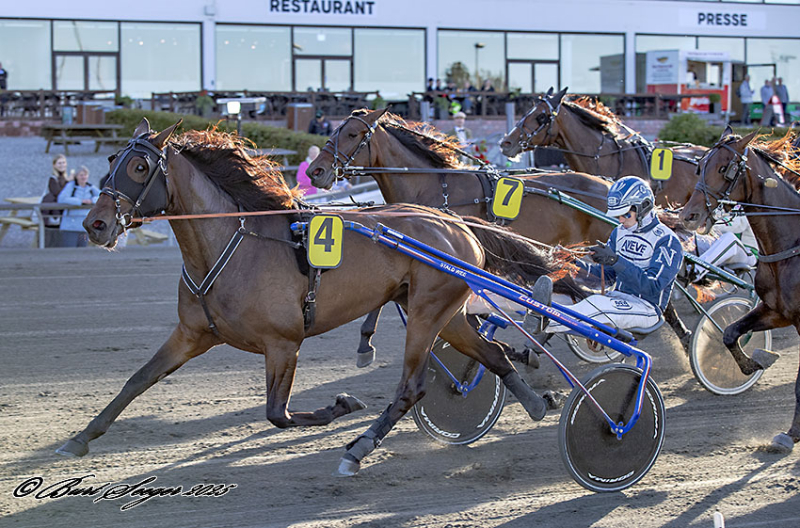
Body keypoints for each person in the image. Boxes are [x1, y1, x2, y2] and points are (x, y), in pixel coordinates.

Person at [538, 176, 683, 335]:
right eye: (618, 215)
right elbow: (607, 277)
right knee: (565, 298)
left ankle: (545, 322)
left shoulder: (667, 241)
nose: (620, 220)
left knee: (596, 304)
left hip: (646, 308)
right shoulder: (619, 232)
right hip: (616, 297)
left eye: (625, 214)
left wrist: (616, 261)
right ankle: (537, 319)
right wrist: (574, 263)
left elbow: (653, 287)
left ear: (644, 207)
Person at [57, 166, 100, 247]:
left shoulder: (90, 187)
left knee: (82, 251)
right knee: (69, 250)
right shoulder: (71, 186)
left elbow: (102, 196)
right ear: (76, 176)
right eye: (81, 175)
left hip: (84, 226)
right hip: (70, 226)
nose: (83, 177)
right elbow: (62, 199)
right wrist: (80, 201)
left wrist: (92, 200)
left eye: (85, 175)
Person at [41, 154, 72, 230]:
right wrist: (68, 182)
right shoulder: (53, 179)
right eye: (59, 163)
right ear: (54, 165)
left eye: (63, 163)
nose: (62, 165)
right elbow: (58, 194)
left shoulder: (64, 178)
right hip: (52, 212)